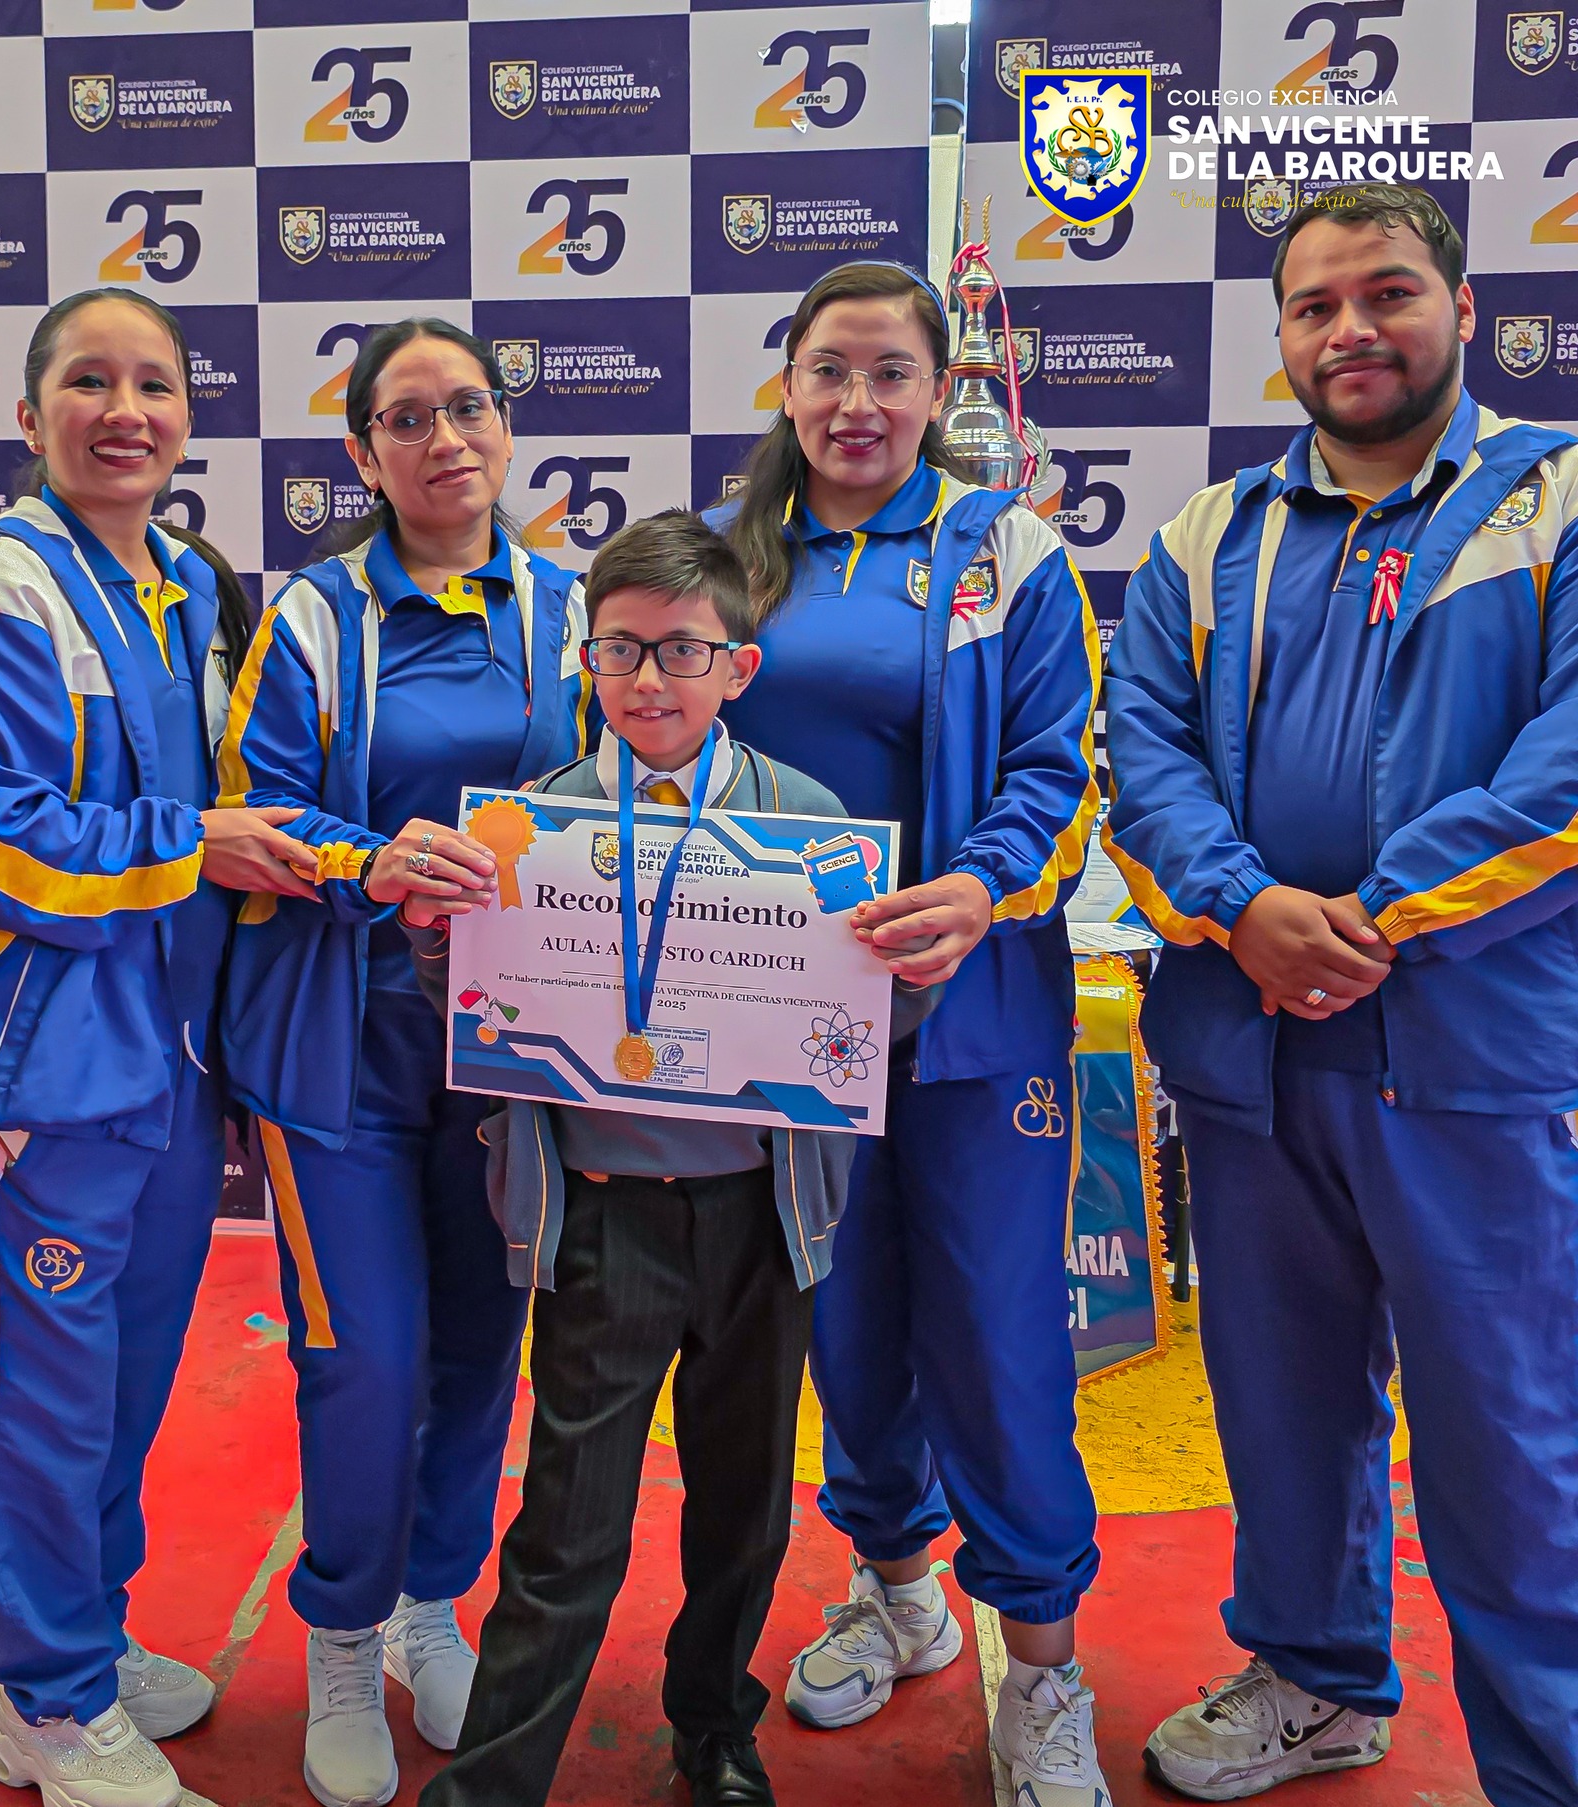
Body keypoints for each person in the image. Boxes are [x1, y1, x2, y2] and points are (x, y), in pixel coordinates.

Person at [1106, 184, 1578, 1807]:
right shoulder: (1208, 534)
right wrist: (1245, 912)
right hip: (1251, 1059)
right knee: (1283, 1407)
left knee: (1510, 1437)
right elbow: (1142, 760)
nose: (1351, 329)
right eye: (1315, 306)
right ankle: (1316, 1680)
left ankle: (1550, 1759)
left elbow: (1567, 774)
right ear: (1283, 335)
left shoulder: (1555, 500)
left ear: (1465, 307)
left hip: (1473, 1060)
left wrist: (1369, 922)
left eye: (1387, 293)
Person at [407, 511, 934, 1807]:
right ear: (587, 659)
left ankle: (713, 1731)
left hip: (762, 1218)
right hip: (603, 1218)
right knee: (567, 1524)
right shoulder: (529, 829)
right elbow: (479, 1011)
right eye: (622, 649)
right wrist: (437, 938)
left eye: (684, 651)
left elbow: (856, 1032)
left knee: (744, 1512)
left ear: (738, 668)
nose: (650, 680)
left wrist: (904, 976)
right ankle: (492, 1785)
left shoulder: (812, 825)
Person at [0, 287, 317, 1807]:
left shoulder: (190, 586)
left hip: (172, 1064)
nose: (125, 412)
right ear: (29, 415)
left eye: (154, 384)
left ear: (191, 415)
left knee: (127, 1386)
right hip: (46, 1074)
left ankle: (91, 1632)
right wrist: (197, 847)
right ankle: (45, 1700)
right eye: (89, 381)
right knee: (38, 1402)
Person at [707, 260, 1111, 1807]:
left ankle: (1046, 1671)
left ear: (942, 391)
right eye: (830, 370)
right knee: (850, 1334)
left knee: (1000, 1347)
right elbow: (652, 754)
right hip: (785, 1030)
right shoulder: (731, 553)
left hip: (970, 1023)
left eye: (891, 373)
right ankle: (897, 1590)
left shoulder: (1008, 551)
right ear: (788, 383)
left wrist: (983, 885)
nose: (858, 402)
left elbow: (1057, 767)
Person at [217, 318, 589, 1807]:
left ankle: (435, 1603)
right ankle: (341, 1632)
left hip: (514, 1056)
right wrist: (368, 859)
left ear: (505, 427)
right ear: (364, 454)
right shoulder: (314, 618)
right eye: (408, 418)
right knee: (365, 1360)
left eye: (469, 407)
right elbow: (253, 814)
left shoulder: (569, 610)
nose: (446, 439)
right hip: (346, 1051)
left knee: (480, 1355)